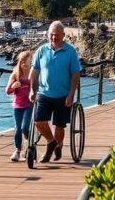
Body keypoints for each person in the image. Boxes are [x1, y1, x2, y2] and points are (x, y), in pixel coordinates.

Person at [29, 21, 82, 163]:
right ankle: (52, 143)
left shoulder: (70, 51)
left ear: (63, 35)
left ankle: (55, 146)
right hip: (44, 93)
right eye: (51, 35)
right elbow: (34, 72)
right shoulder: (42, 50)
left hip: (62, 94)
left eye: (56, 35)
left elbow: (75, 74)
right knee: (38, 121)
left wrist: (71, 94)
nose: (53, 37)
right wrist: (32, 90)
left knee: (59, 125)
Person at [5, 50, 32, 162]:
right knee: (17, 129)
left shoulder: (33, 73)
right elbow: (7, 91)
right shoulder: (15, 74)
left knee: (25, 127)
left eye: (28, 62)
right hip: (17, 105)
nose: (25, 65)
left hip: (29, 104)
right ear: (20, 62)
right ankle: (17, 151)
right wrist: (14, 86)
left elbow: (38, 87)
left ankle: (30, 145)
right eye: (23, 62)